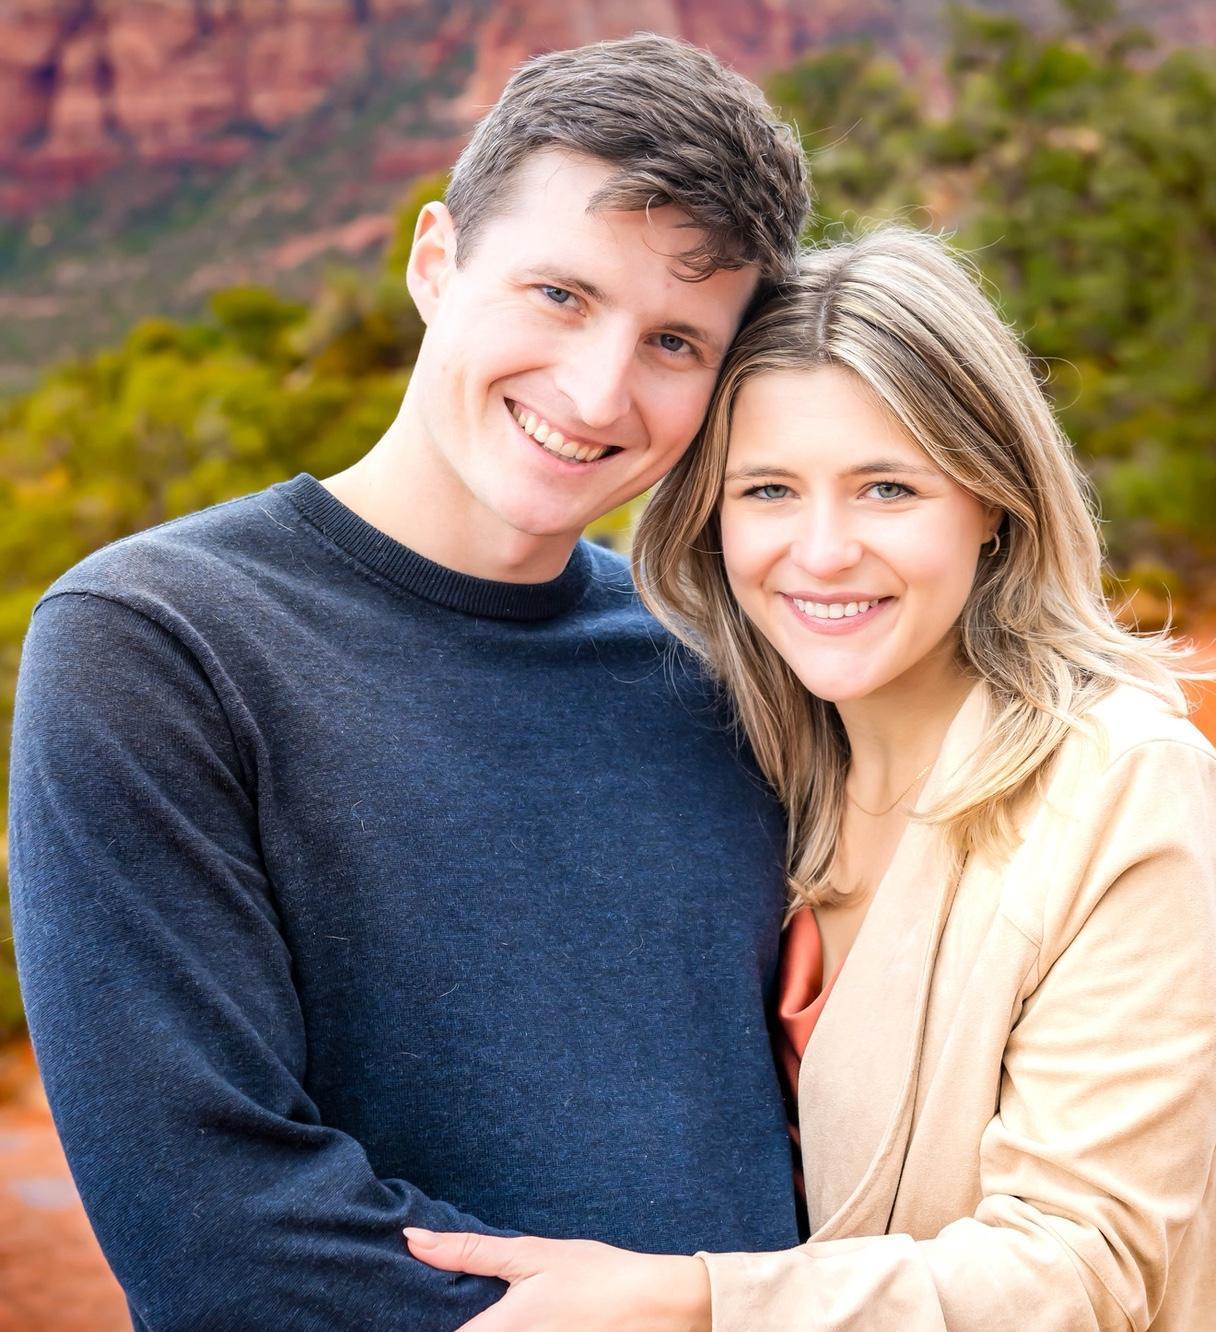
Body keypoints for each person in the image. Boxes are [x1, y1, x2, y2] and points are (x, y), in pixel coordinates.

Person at [7, 36, 812, 1331]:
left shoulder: (732, 663)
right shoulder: (155, 641)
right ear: (435, 262)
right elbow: (216, 1230)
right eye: (559, 295)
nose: (598, 387)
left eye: (675, 340)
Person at [404, 229, 1216, 1329]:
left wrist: (686, 1301)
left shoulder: (1125, 788)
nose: (823, 550)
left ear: (993, 504)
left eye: (888, 488)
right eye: (771, 490)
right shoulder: (747, 769)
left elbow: (1081, 1268)